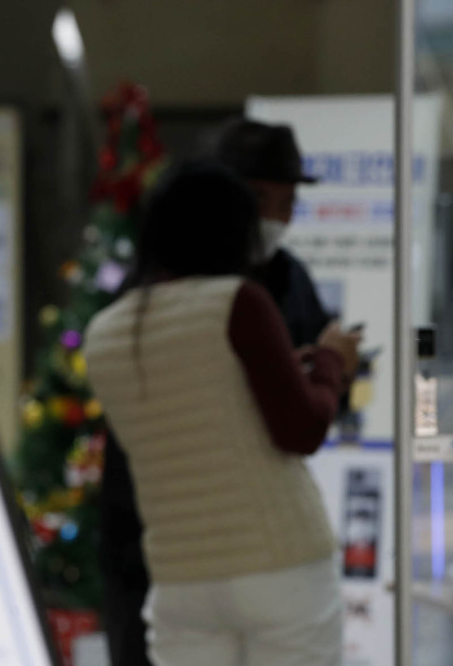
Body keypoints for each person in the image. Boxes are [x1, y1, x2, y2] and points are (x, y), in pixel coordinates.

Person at [85, 160, 360, 666]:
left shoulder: (103, 333)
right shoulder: (238, 302)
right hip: (278, 563)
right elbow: (302, 429)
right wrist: (330, 363)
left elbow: (198, 406)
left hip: (181, 578)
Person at [215, 118, 331, 348]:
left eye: (286, 203)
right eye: (258, 198)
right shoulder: (183, 278)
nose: (272, 217)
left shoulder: (293, 277)